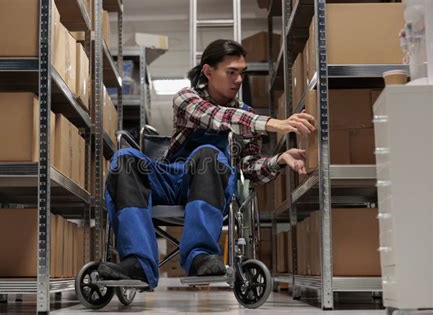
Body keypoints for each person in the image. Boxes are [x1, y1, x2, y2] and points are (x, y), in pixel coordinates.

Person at [99, 39, 315, 289]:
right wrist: (271, 123)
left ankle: (200, 257)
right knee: (124, 159)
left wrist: (279, 160)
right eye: (231, 72)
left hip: (213, 185)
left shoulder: (247, 115)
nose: (238, 80)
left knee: (209, 154)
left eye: (241, 73)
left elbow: (248, 171)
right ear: (208, 71)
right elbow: (215, 117)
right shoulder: (186, 98)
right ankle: (137, 263)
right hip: (173, 179)